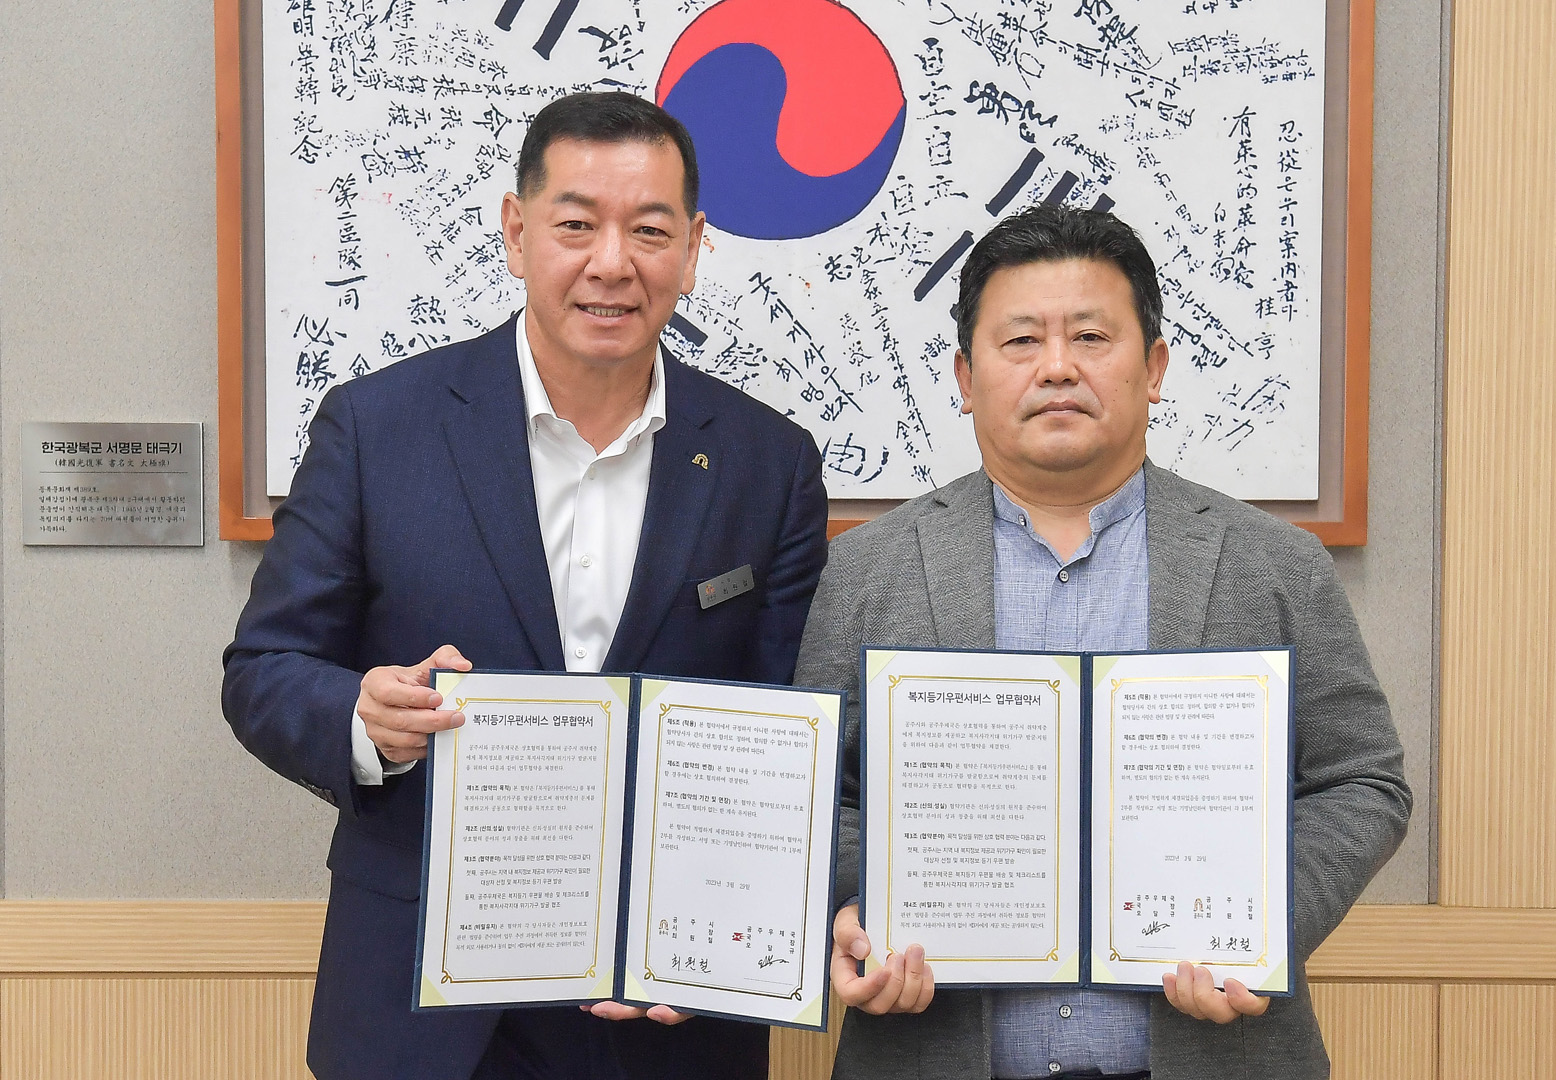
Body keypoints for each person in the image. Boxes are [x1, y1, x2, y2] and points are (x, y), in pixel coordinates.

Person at [223, 92, 828, 1080]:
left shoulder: (770, 462)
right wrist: (362, 716)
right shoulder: (377, 428)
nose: (612, 263)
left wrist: (731, 929)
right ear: (516, 232)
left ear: (693, 249)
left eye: (650, 231)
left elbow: (788, 723)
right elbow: (263, 669)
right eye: (576, 225)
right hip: (423, 1005)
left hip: (668, 1003)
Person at [793, 204, 1410, 1080]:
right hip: (933, 1050)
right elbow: (820, 794)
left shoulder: (1273, 563)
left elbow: (1362, 780)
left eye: (1090, 336)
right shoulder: (869, 569)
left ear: (1153, 367)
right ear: (966, 376)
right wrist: (870, 904)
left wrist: (1265, 928)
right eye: (1021, 341)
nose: (1058, 366)